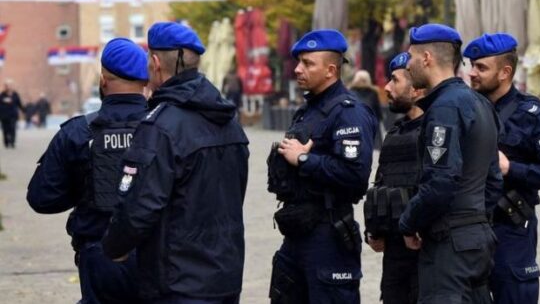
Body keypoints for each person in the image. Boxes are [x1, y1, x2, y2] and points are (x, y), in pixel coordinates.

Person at [101, 22, 250, 304]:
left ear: (156, 63)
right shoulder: (229, 121)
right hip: (225, 277)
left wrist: (113, 246)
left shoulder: (160, 127)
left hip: (176, 282)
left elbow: (139, 206)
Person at [27, 38, 150, 304]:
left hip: (100, 254)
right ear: (146, 81)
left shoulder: (77, 132)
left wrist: (85, 184)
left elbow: (42, 198)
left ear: (103, 80)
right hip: (161, 255)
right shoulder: (168, 128)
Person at [463, 33, 540, 303]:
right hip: (470, 233)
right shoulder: (466, 111)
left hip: (511, 232)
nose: (472, 74)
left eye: (481, 68)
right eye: (471, 66)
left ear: (505, 72)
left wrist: (511, 168)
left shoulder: (530, 115)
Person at [267, 29, 377, 304]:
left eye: (307, 63)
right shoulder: (307, 111)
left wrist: (305, 160)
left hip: (328, 235)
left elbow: (355, 174)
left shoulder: (348, 112)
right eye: (298, 62)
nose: (298, 69)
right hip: (297, 232)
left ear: (330, 70)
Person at [399, 23, 497, 303]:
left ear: (427, 58)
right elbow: (493, 181)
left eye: (410, 57)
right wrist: (476, 222)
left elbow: (440, 182)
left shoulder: (444, 107)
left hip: (449, 246)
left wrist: (409, 222)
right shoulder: (480, 103)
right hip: (477, 239)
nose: (407, 66)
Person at [364, 52, 425, 304]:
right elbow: (381, 184)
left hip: (426, 250)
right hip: (394, 252)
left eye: (395, 80)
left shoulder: (436, 131)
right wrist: (373, 229)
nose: (387, 87)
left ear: (416, 90)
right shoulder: (395, 132)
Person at [349, 69, 383, 148]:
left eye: (363, 80)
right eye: (360, 79)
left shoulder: (373, 93)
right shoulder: (351, 92)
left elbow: (377, 108)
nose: (362, 82)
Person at [0, 79, 23, 147]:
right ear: (5, 86)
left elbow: (19, 103)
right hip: (4, 115)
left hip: (13, 115)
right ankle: (6, 142)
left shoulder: (15, 94)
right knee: (5, 130)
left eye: (10, 85)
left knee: (13, 128)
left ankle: (12, 142)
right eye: (7, 85)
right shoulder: (2, 94)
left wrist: (24, 110)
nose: (9, 87)